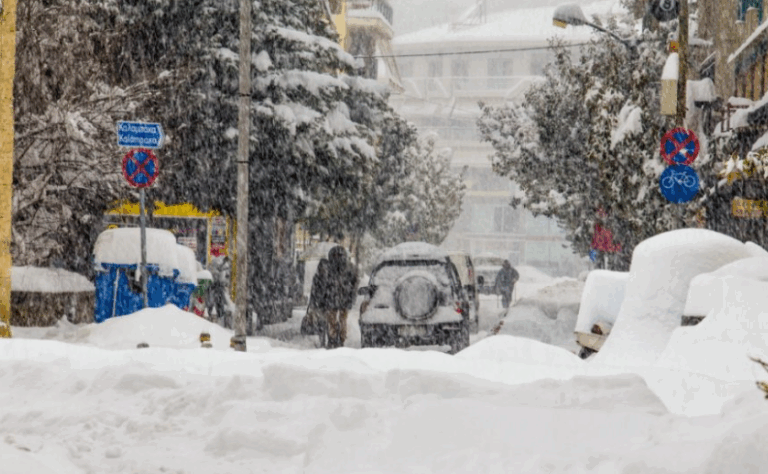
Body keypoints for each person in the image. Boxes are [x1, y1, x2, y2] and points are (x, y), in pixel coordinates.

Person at [310, 245, 358, 348]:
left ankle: (334, 340)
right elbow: (354, 285)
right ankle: (340, 340)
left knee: (333, 321)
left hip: (332, 299)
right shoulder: (350, 267)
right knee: (341, 321)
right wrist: (351, 298)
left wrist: (321, 299)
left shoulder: (329, 267)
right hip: (341, 299)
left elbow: (324, 284)